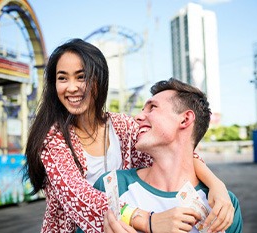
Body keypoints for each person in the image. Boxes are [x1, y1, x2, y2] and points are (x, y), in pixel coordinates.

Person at [23, 38, 234, 233]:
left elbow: (181, 155)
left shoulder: (122, 126)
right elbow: (79, 199)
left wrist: (217, 185)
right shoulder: (52, 139)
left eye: (81, 77)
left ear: (99, 80)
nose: (71, 87)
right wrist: (149, 221)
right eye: (62, 78)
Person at [95, 78, 243, 232]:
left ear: (185, 119)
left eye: (152, 107)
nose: (137, 117)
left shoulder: (223, 207)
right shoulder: (111, 185)